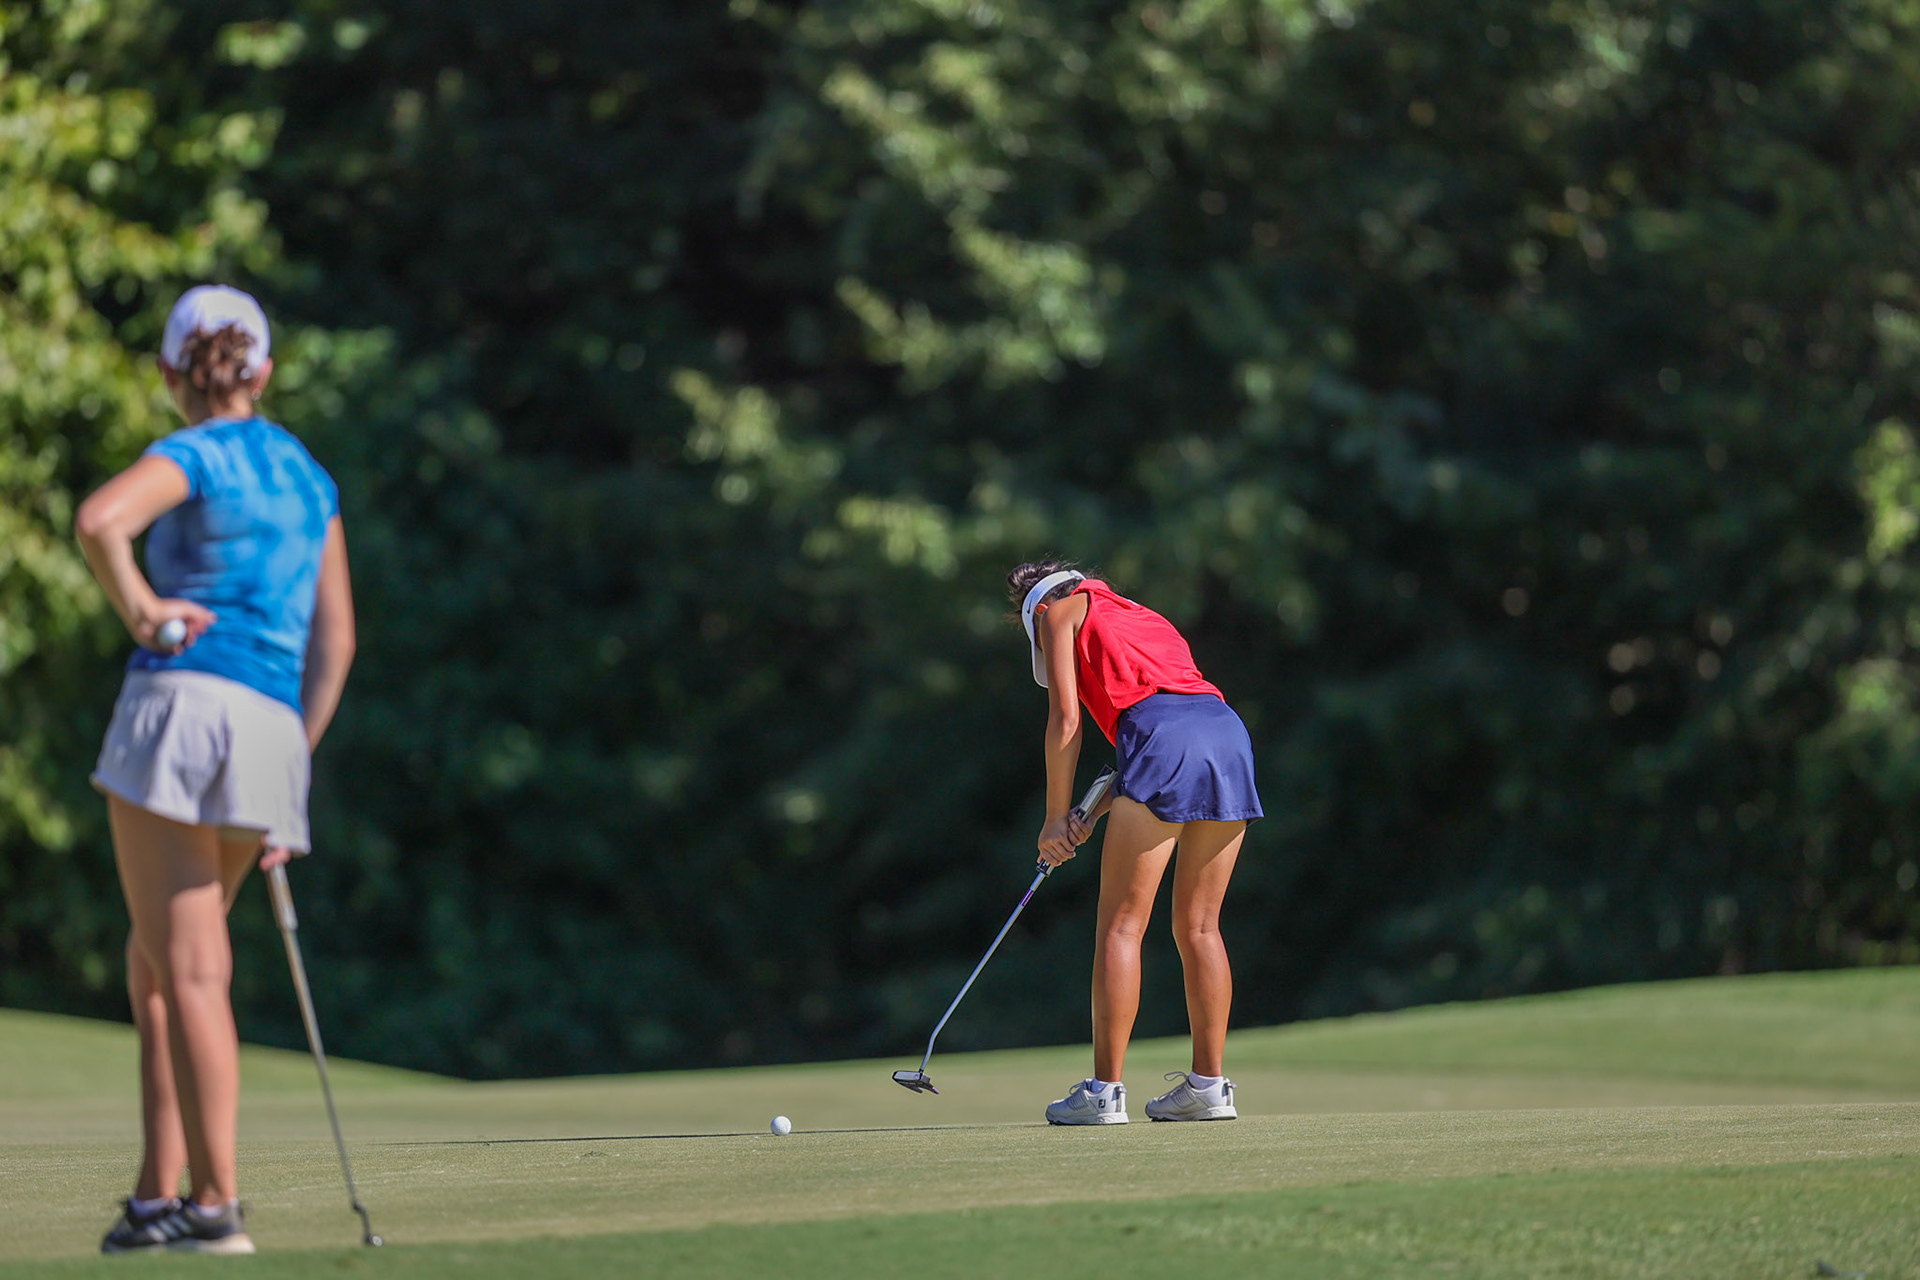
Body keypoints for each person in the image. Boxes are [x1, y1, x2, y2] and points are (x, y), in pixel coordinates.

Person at [76, 285, 356, 1253]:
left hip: (181, 712)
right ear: (264, 371)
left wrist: (148, 612)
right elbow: (337, 642)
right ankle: (158, 1193)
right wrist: (291, 767)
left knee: (190, 965)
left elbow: (100, 518)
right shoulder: (310, 476)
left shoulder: (192, 453)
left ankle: (215, 1204)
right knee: (156, 958)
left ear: (169, 375)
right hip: (272, 729)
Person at [1010, 560, 1262, 1125]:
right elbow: (1166, 722)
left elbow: (1068, 722)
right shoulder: (1144, 615)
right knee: (1200, 926)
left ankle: (1103, 1094)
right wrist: (1090, 812)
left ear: (1034, 610)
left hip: (1164, 741)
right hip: (1227, 736)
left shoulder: (1056, 612)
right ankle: (1209, 1087)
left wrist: (1055, 818)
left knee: (1122, 926)